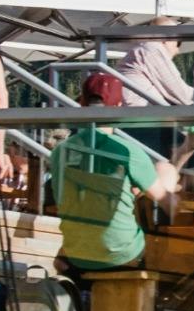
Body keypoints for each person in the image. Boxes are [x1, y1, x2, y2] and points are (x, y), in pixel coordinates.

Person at [51, 68, 178, 272]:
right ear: (119, 107)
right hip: (122, 256)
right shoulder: (128, 152)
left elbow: (63, 199)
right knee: (166, 169)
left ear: (81, 103)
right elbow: (165, 202)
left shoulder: (60, 151)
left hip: (76, 254)